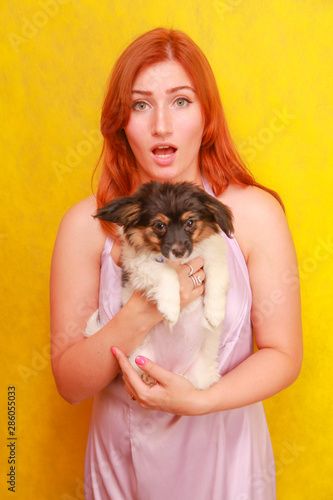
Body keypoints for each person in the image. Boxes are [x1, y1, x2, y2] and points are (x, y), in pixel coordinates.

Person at [50, 28, 303, 500]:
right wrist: (145, 306)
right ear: (120, 121)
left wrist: (204, 400)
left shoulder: (253, 214)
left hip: (227, 461)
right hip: (123, 460)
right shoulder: (86, 227)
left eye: (181, 101)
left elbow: (284, 354)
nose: (161, 125)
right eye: (141, 104)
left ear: (206, 115)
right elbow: (69, 384)